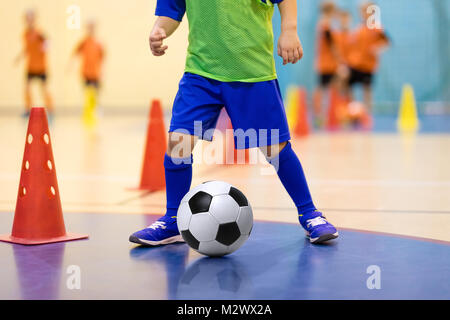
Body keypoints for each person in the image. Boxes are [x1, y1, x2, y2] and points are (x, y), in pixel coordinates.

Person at [130, 0, 338, 246]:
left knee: (275, 150)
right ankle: (173, 219)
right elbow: (172, 9)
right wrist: (159, 29)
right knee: (179, 145)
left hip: (252, 72)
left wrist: (289, 30)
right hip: (200, 73)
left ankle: (309, 213)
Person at [347, 1, 390, 113]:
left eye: (366, 10)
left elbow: (386, 42)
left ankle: (367, 113)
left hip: (368, 65)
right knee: (348, 84)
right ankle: (353, 111)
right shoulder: (359, 28)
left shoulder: (376, 27)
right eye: (362, 11)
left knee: (367, 90)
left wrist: (377, 48)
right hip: (355, 63)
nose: (363, 13)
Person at [14, 9, 53, 118]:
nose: (29, 20)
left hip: (41, 67)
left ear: (34, 19)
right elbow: (27, 49)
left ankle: (50, 110)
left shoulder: (39, 32)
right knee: (26, 88)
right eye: (27, 18)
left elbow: (49, 42)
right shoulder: (25, 34)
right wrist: (19, 57)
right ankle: (27, 109)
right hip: (30, 67)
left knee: (44, 89)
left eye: (31, 18)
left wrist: (44, 47)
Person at [70, 20, 105, 124]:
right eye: (89, 27)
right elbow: (75, 53)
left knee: (96, 93)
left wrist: (102, 72)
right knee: (86, 92)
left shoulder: (99, 43)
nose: (90, 29)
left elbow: (103, 59)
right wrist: (70, 65)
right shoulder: (83, 42)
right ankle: (87, 111)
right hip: (85, 72)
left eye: (92, 27)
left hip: (96, 73)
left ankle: (96, 109)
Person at [312, 1, 340, 127]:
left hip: (326, 63)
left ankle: (326, 115)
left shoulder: (324, 24)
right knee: (324, 90)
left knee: (327, 90)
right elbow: (332, 46)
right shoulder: (325, 25)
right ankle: (321, 115)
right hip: (327, 64)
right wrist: (340, 61)